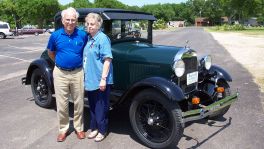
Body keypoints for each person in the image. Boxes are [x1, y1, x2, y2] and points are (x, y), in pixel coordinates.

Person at [47, 7, 88, 142]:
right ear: (63, 21)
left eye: (73, 20)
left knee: (79, 102)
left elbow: (86, 52)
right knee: (62, 104)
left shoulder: (82, 35)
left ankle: (79, 128)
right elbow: (51, 53)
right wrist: (60, 64)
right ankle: (63, 129)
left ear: (76, 21)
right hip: (60, 74)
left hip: (77, 73)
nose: (70, 22)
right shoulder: (55, 35)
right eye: (68, 20)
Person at [83, 13, 113, 142]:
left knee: (101, 107)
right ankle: (94, 128)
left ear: (98, 25)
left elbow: (107, 60)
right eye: (88, 24)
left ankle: (102, 130)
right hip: (90, 79)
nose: (90, 26)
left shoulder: (102, 38)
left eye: (92, 24)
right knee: (93, 106)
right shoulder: (90, 38)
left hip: (100, 79)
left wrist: (103, 79)